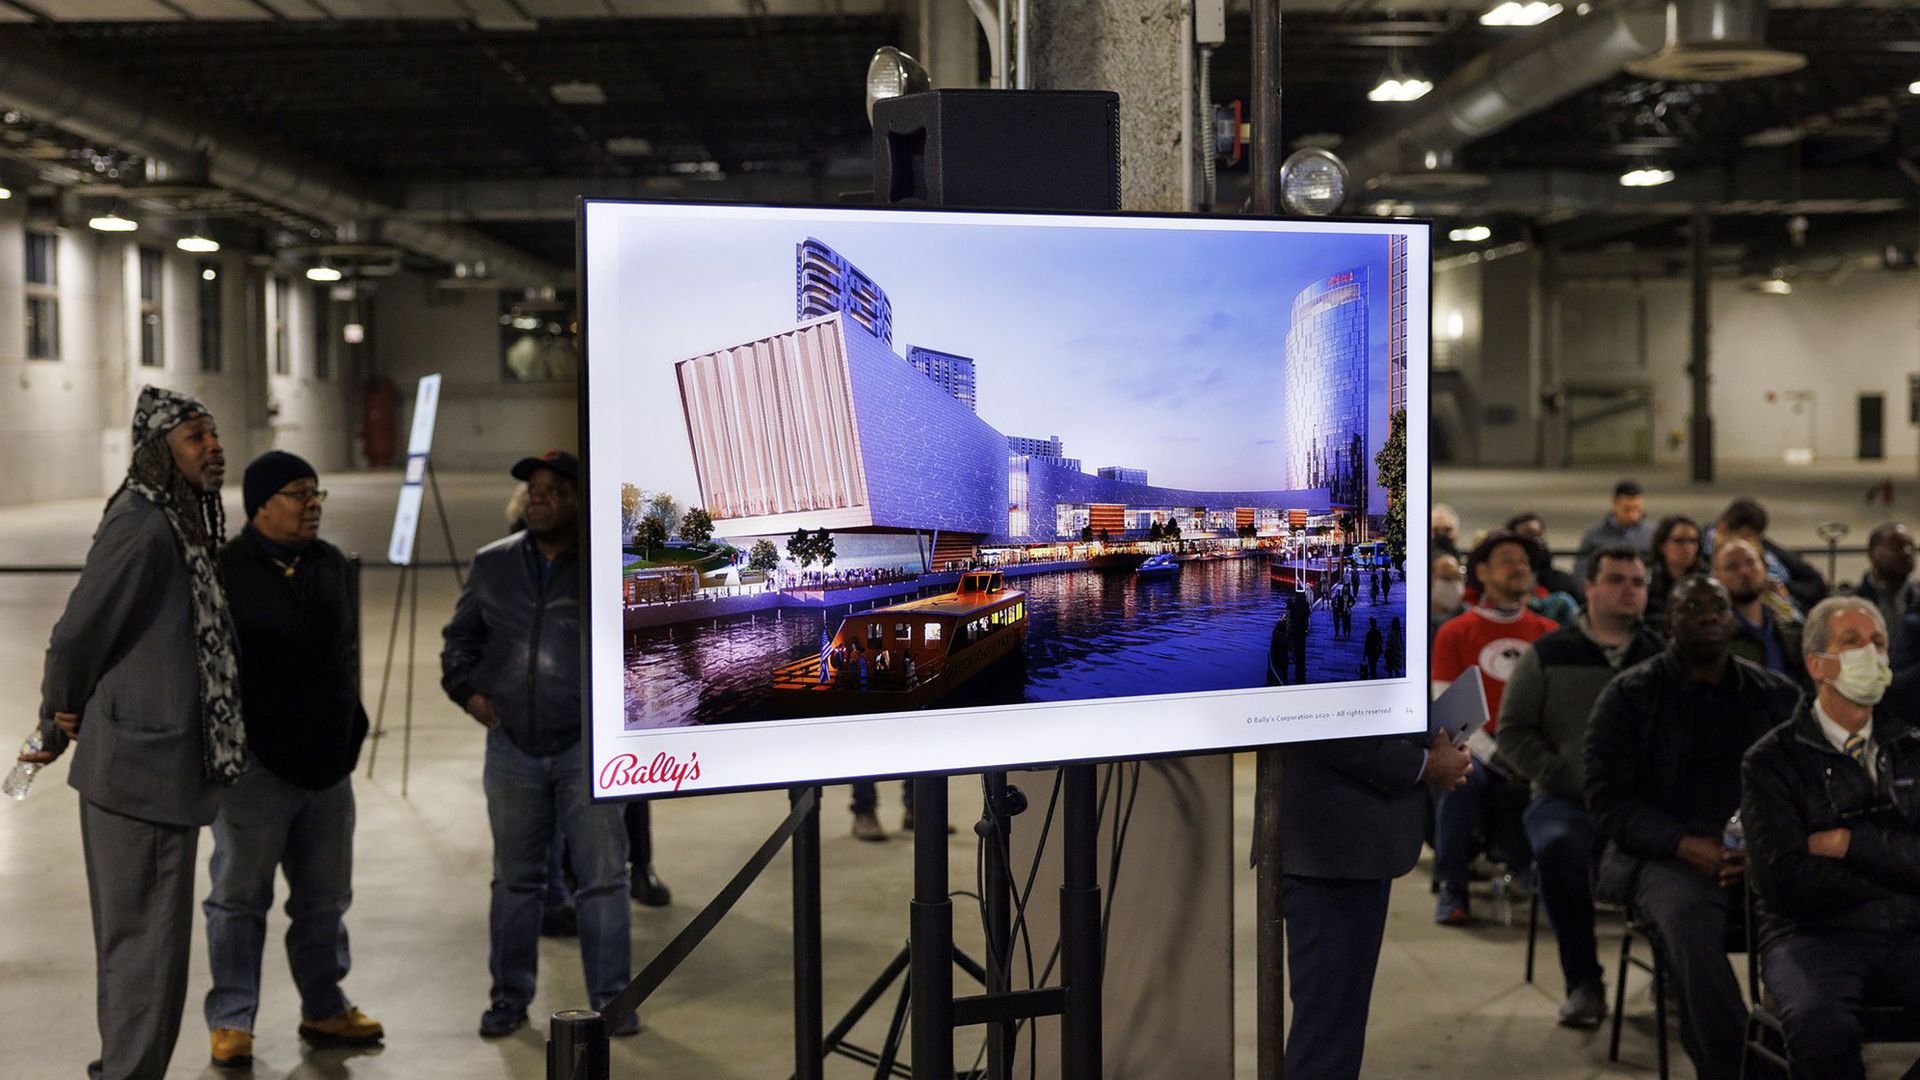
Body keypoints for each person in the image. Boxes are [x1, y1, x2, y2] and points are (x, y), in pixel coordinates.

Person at [26, 386, 246, 1080]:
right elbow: (76, 636)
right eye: (194, 439)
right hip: (142, 776)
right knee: (147, 957)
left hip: (153, 766)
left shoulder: (178, 519)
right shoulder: (144, 526)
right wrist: (56, 717)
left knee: (140, 953)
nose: (211, 448)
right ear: (159, 452)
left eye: (212, 435)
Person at [440, 450, 637, 1038]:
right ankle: (508, 998)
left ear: (580, 498)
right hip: (513, 749)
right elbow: (460, 641)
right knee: (516, 881)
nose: (540, 497)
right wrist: (468, 692)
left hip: (586, 751)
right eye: (533, 488)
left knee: (603, 879)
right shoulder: (492, 564)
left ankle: (612, 1001)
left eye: (554, 488)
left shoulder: (606, 563)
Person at [201, 452, 381, 1068]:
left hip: (327, 766)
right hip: (254, 770)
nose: (313, 504)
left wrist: (350, 727)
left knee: (325, 900)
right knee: (238, 899)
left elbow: (344, 652)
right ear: (260, 505)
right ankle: (231, 1020)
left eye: (316, 492)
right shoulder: (223, 572)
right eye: (298, 493)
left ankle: (324, 1006)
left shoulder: (330, 564)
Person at [1584, 575, 1800, 1080]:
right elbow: (1607, 800)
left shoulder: (1774, 695)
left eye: (1717, 606)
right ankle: (1737, 1068)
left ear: (1732, 618)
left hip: (1758, 850)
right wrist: (1682, 844)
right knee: (1687, 920)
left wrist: (1764, 845)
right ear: (1669, 621)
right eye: (1692, 606)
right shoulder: (1629, 696)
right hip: (1663, 854)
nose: (1707, 615)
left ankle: (1799, 1040)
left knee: (1816, 904)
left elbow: (1804, 785)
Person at [1742, 596, 1920, 1080]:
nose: (1872, 654)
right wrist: (1897, 872)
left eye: (1878, 643)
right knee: (1821, 1027)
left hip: (1908, 929)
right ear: (1817, 664)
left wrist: (1850, 845)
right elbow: (1783, 879)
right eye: (1853, 642)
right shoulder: (1772, 760)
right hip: (1813, 936)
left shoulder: (1911, 746)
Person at [1495, 544, 1662, 1027]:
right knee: (1559, 848)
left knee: (1677, 858)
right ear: (1589, 587)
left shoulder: (1662, 657)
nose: (1627, 590)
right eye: (1615, 579)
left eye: (1637, 582)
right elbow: (1514, 732)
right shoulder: (1548, 654)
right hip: (1564, 799)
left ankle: (1670, 973)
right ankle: (1584, 982)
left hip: (1642, 803)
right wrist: (1565, 777)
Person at [1279, 728, 1475, 1080]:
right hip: (1330, 849)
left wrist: (1434, 738)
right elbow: (1324, 724)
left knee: (1337, 1032)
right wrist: (1424, 763)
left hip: (1352, 845)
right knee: (1325, 1041)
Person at [1429, 529, 1559, 924]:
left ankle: (1553, 878)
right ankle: (1453, 886)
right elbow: (1450, 710)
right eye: (1506, 558)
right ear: (1481, 572)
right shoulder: (1455, 632)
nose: (1519, 566)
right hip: (1482, 746)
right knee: (1461, 779)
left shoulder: (1549, 633)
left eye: (1523, 560)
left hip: (1536, 747)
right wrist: (1500, 755)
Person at [1714, 536, 1810, 691]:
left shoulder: (1792, 630)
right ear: (1717, 577)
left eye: (1750, 562)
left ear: (1764, 567)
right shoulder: (1713, 638)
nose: (1744, 572)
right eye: (1732, 567)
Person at [1714, 496, 1828, 614]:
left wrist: (1786, 588)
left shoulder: (1769, 550)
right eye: (1745, 537)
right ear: (1722, 530)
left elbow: (1816, 583)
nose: (1751, 545)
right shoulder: (1704, 553)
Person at [1852, 522, 1920, 672]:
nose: (1907, 552)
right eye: (1897, 547)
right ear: (1872, 554)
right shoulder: (1851, 604)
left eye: (1911, 546)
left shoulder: (1916, 597)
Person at [1573, 479, 1652, 580]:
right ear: (1614, 505)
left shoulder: (1652, 535)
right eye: (1627, 510)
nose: (1633, 515)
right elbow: (1581, 572)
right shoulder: (1594, 536)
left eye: (1637, 510)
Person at [1506, 511, 1586, 604]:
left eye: (1540, 536)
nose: (1536, 541)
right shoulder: (1503, 581)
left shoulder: (1563, 583)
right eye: (1528, 535)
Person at [1644, 513, 1706, 632]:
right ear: (1662, 546)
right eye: (1680, 541)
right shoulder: (1647, 582)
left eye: (1693, 541)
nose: (1688, 548)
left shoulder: (1705, 581)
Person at [1430, 550, 1466, 636]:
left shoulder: (1467, 619)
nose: (1452, 582)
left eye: (1456, 577)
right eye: (1445, 578)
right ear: (1432, 579)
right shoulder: (1421, 621)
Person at [1288, 588, 1311, 685]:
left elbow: (1289, 609)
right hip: (1302, 629)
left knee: (1296, 647)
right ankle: (1301, 665)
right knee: (1301, 648)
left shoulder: (1294, 605)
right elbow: (1308, 613)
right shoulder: (1305, 604)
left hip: (1295, 630)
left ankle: (1296, 661)